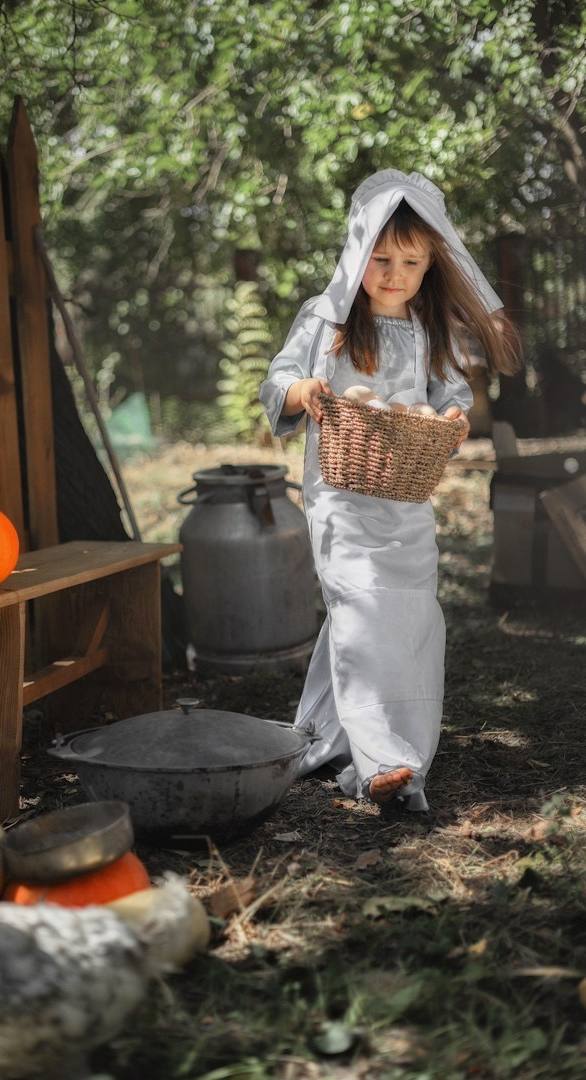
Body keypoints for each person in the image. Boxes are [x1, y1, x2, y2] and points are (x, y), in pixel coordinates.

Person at [259, 169, 520, 810]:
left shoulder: (433, 332)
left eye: (410, 261)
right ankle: (385, 760)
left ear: (430, 264)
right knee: (361, 605)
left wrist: (452, 422)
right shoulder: (326, 321)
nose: (394, 273)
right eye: (380, 258)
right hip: (342, 493)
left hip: (405, 499)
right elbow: (279, 381)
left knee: (399, 615)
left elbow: (452, 398)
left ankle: (323, 736)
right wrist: (309, 392)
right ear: (357, 252)